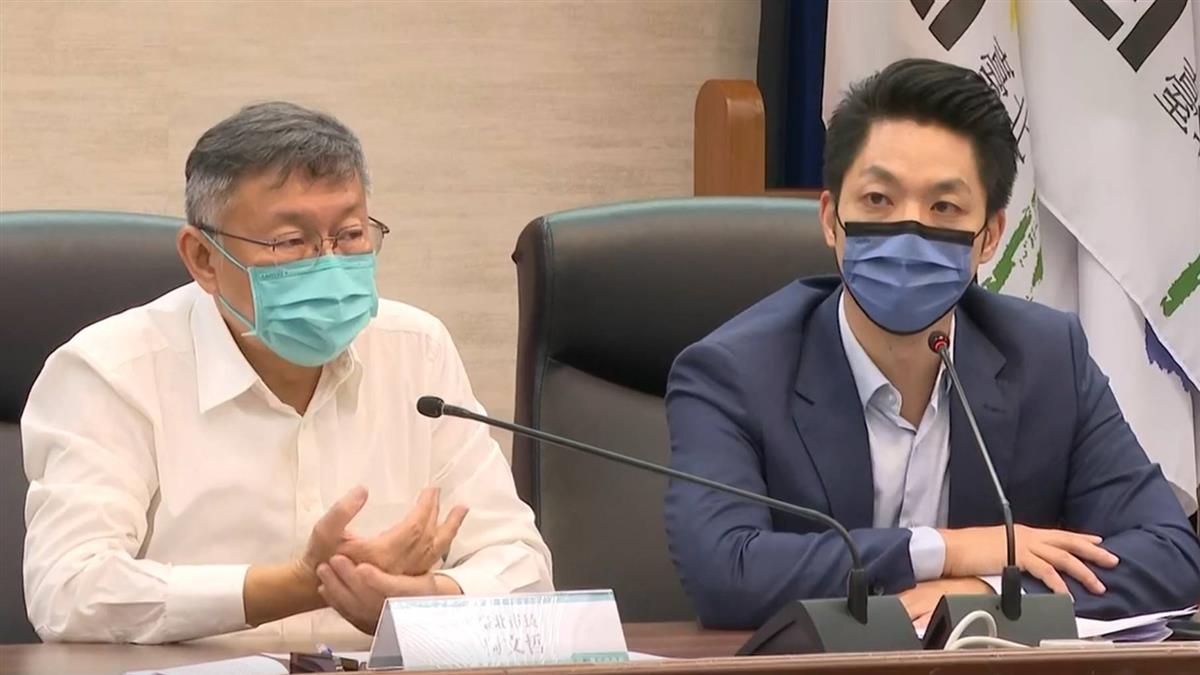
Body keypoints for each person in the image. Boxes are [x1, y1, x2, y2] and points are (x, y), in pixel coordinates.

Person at [663, 58, 1200, 630]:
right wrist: (950, 550)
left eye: (943, 207)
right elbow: (725, 570)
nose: (908, 229)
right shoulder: (734, 371)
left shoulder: (1047, 359)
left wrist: (981, 593)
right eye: (878, 200)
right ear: (830, 219)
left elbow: (1170, 555)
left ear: (989, 238)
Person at [22, 102, 552, 643]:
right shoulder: (113, 371)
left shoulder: (417, 350)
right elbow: (68, 591)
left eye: (350, 234)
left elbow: (524, 568)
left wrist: (425, 602)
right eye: (290, 242)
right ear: (204, 258)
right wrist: (299, 585)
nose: (329, 264)